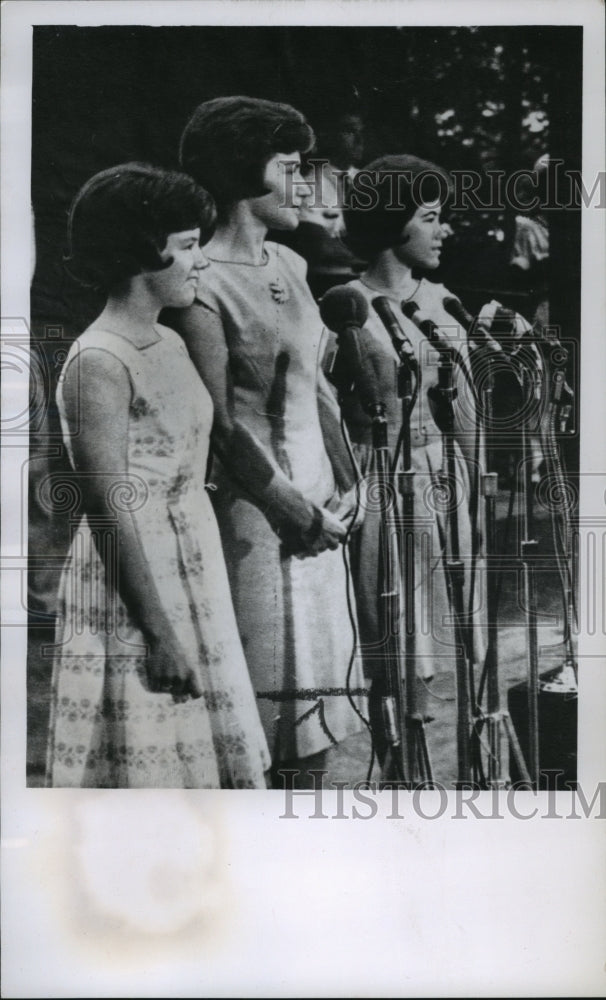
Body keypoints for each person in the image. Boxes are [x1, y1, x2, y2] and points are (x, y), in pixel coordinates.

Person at [45, 163, 270, 788]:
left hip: (189, 559)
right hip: (131, 582)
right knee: (150, 759)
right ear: (145, 253)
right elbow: (107, 507)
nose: (202, 261)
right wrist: (160, 633)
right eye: (189, 246)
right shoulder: (98, 360)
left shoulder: (168, 342)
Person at [176, 96, 366, 782]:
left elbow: (319, 385)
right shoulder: (200, 280)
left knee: (320, 722)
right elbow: (218, 421)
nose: (306, 184)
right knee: (265, 727)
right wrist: (290, 506)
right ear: (242, 170)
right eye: (291, 165)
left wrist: (350, 483)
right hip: (257, 521)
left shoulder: (289, 263)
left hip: (322, 515)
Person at [341, 154, 486, 762]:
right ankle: (401, 765)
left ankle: (468, 760)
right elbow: (326, 406)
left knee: (455, 629)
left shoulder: (443, 301)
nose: (444, 230)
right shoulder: (344, 304)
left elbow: (472, 412)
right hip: (380, 482)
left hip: (442, 479)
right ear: (395, 224)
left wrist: (479, 488)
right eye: (431, 217)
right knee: (394, 639)